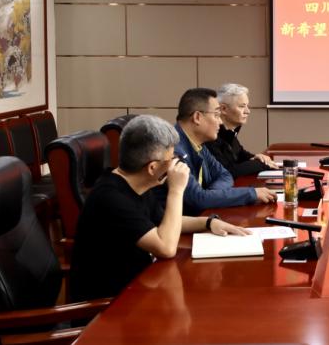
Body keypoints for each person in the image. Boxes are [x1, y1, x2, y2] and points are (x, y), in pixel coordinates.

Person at [70, 115, 250, 301]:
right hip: (111, 305)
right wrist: (176, 190)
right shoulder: (111, 198)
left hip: (140, 288)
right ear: (152, 167)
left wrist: (209, 223)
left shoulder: (136, 183)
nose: (176, 164)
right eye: (172, 158)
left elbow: (166, 221)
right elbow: (166, 247)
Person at [161, 87, 276, 215]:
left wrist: (212, 195)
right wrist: (251, 194)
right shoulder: (173, 151)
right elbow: (198, 199)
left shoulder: (199, 144)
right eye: (216, 115)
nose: (220, 121)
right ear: (197, 117)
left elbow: (225, 175)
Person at [206, 83, 276, 177]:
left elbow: (240, 154)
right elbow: (228, 172)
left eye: (247, 106)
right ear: (223, 109)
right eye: (242, 106)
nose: (247, 111)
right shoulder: (211, 136)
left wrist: (257, 157)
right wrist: (262, 164)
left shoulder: (229, 132)